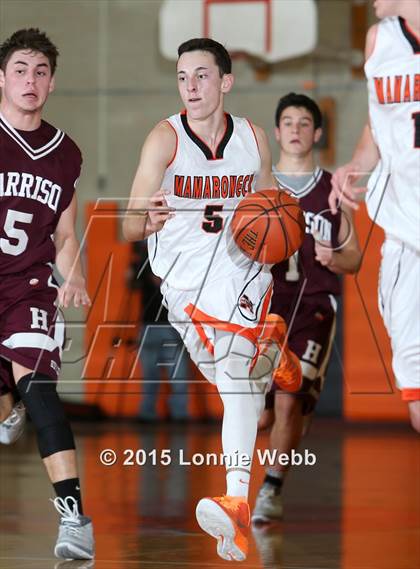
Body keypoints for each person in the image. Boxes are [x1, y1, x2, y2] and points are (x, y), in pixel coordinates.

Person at [123, 38, 301, 561]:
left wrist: (280, 232)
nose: (191, 87)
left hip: (240, 272)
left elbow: (272, 206)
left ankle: (237, 503)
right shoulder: (164, 139)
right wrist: (145, 220)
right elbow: (130, 220)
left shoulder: (253, 138)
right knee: (232, 380)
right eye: (182, 77)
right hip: (183, 282)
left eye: (202, 76)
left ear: (226, 81)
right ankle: (273, 355)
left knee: (238, 376)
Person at [0, 29, 94, 559]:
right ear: (1, 79)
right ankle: (6, 406)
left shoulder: (65, 154)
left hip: (28, 287)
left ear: (52, 83)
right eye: (20, 70)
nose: (30, 81)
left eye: (39, 72)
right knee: (10, 406)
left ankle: (74, 519)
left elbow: (62, 233)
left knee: (41, 394)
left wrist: (73, 275)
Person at [252, 93, 362, 523]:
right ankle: (273, 461)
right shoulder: (261, 189)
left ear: (316, 133)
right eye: (288, 122)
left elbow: (355, 257)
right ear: (277, 132)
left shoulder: (333, 190)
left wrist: (335, 257)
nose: (295, 130)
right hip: (264, 310)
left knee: (288, 403)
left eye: (304, 123)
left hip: (313, 308)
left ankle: (270, 490)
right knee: (262, 417)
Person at [329, 0, 420, 432]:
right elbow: (378, 121)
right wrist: (356, 165)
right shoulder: (378, 40)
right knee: (415, 382)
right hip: (406, 233)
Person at [129, 241, 190, 421]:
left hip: (171, 323)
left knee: (177, 376)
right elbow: (132, 284)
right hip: (149, 323)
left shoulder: (175, 257)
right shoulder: (144, 260)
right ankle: (148, 413)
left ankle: (179, 414)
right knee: (150, 375)